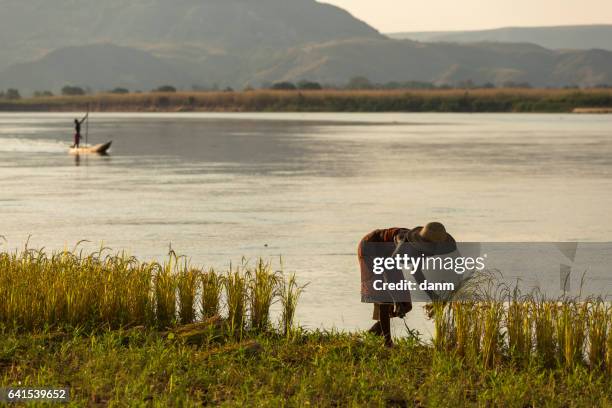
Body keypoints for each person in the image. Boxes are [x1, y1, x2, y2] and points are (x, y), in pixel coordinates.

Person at [358, 222, 456, 347]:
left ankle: (371, 334)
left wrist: (432, 295)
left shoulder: (424, 249)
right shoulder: (404, 243)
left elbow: (417, 272)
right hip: (371, 248)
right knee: (385, 298)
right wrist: (395, 300)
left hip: (390, 258)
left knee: (406, 305)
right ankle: (387, 343)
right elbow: (388, 268)